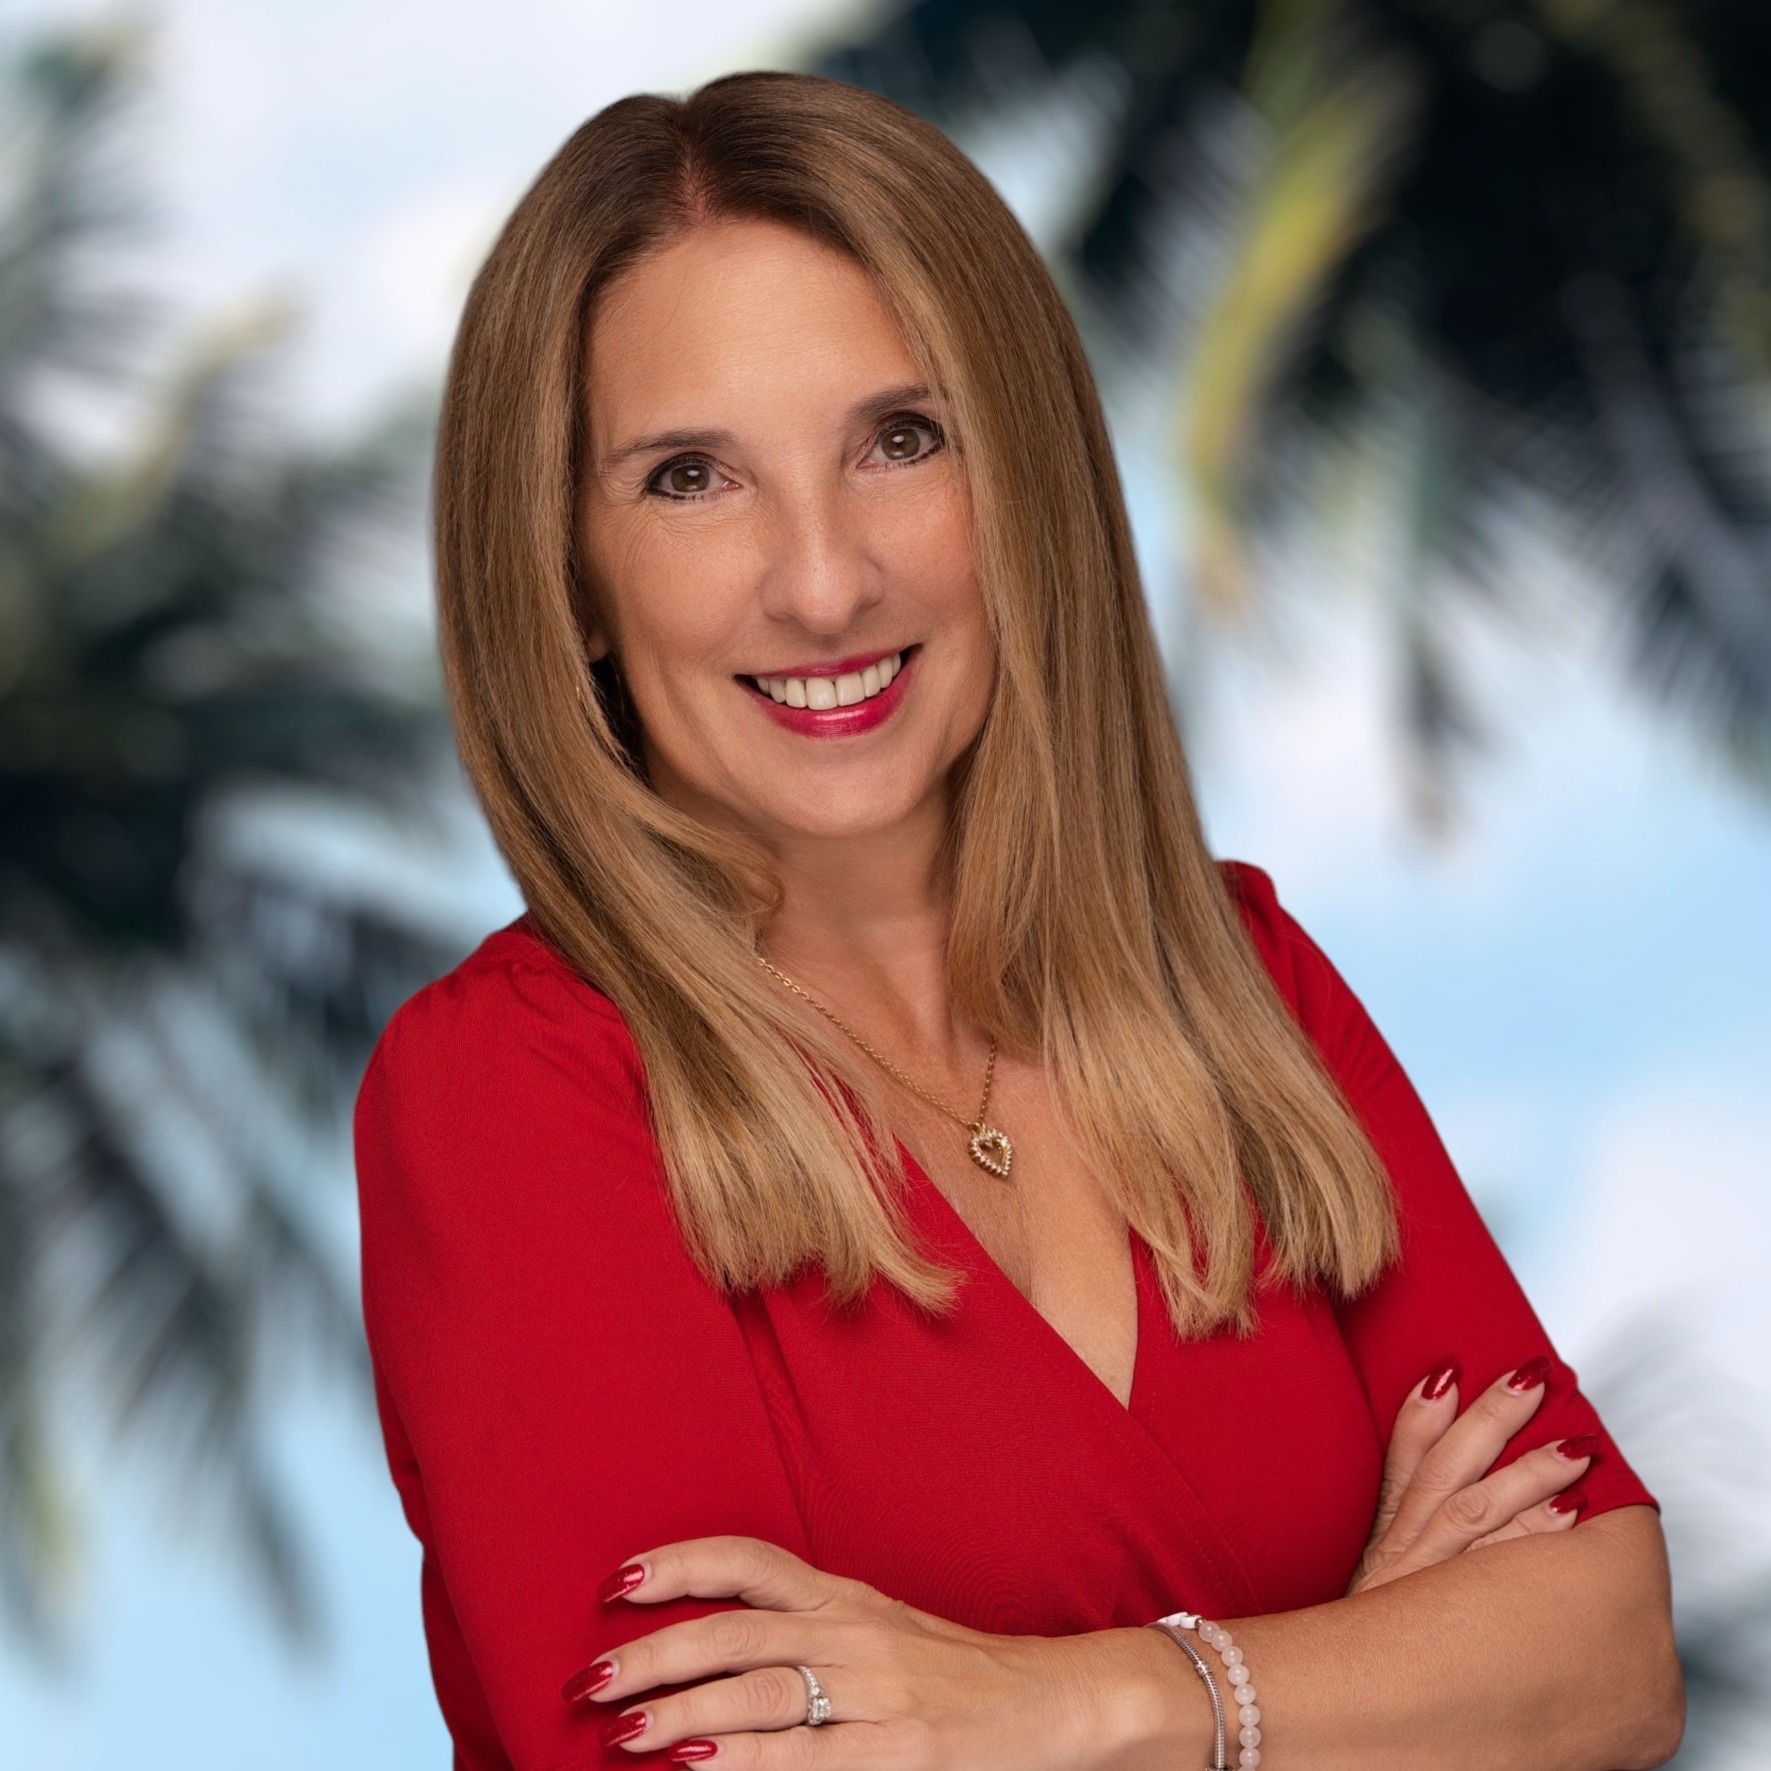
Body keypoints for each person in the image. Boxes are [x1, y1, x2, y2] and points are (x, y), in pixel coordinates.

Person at [353, 69, 1683, 1771]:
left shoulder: (1237, 986)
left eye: (900, 441)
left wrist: (1080, 1706)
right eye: (691, 477)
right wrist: (1368, 1677)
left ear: (1026, 485)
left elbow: (1612, 1655)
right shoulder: (513, 1093)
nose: (825, 580)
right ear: (569, 578)